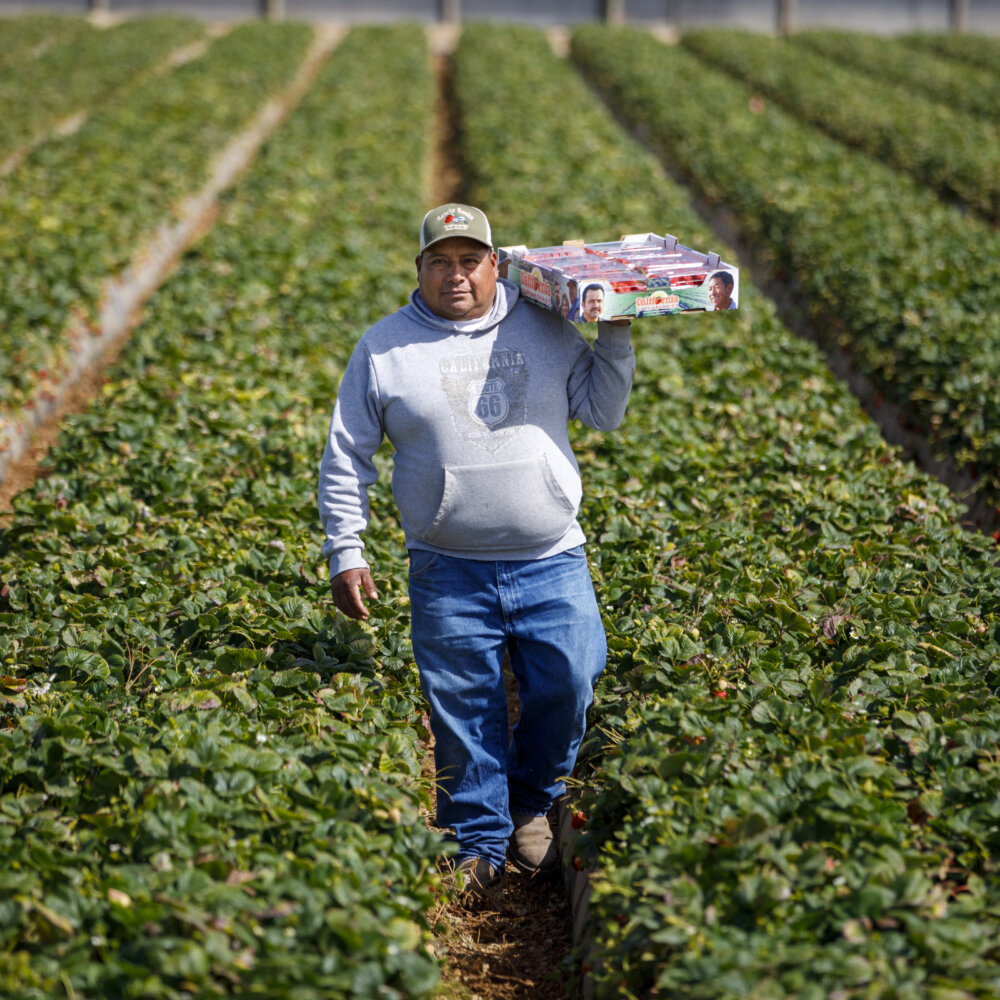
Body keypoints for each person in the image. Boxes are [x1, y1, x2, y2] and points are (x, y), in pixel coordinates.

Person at [318, 204, 634, 896]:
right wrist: (346, 547)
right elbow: (347, 455)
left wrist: (613, 330)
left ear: (497, 264)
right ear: (420, 269)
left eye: (470, 260)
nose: (455, 275)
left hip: (550, 554)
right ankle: (476, 839)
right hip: (446, 563)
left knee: (573, 680)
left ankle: (528, 803)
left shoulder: (546, 321)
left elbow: (603, 412)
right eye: (441, 261)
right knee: (462, 707)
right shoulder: (385, 348)